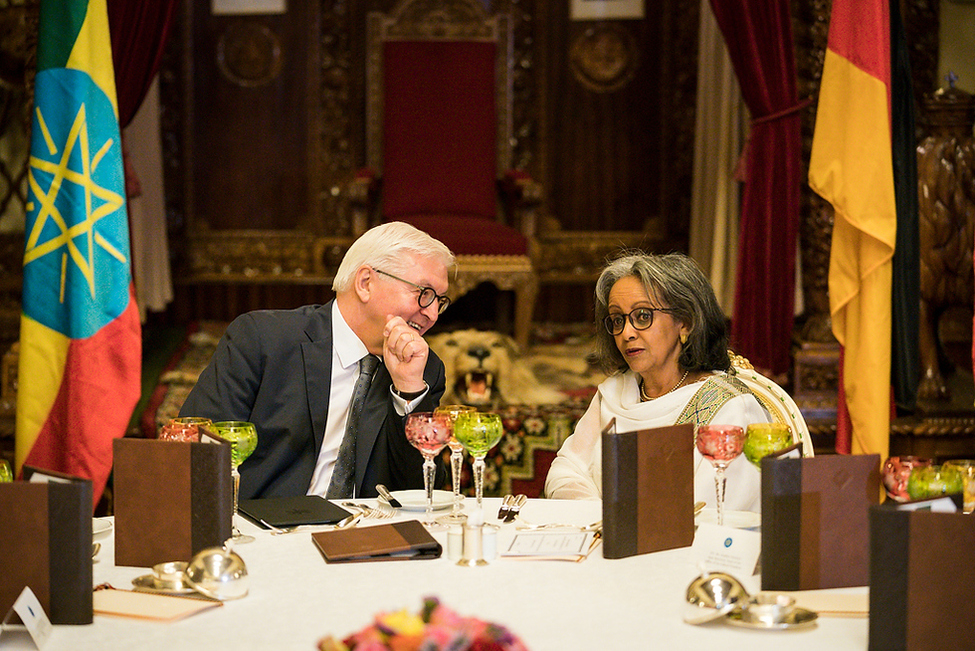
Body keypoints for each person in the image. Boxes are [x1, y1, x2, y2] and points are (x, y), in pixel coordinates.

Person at [179, 221, 454, 500]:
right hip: (263, 529)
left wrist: (408, 390)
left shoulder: (424, 370)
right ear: (365, 283)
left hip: (366, 536)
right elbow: (195, 451)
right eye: (424, 294)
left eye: (439, 301)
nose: (431, 314)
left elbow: (423, 492)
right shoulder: (264, 340)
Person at [544, 252, 771, 511]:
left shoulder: (728, 406)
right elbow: (565, 470)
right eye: (618, 320)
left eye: (642, 316)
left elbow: (712, 509)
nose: (626, 333)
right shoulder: (615, 393)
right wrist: (595, 516)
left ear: (685, 323)